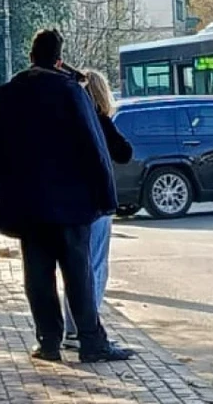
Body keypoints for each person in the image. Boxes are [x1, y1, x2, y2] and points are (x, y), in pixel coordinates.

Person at [0, 29, 133, 363]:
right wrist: (105, 199)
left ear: (31, 57)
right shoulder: (71, 94)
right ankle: (91, 342)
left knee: (38, 276)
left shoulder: (9, 99)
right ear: (59, 60)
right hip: (72, 206)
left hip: (26, 206)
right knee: (79, 275)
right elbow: (96, 150)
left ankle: (48, 342)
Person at [62, 69, 133, 350]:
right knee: (95, 266)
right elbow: (124, 152)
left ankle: (71, 329)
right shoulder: (100, 121)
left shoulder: (67, 121)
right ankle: (87, 328)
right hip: (97, 203)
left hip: (71, 204)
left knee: (74, 266)